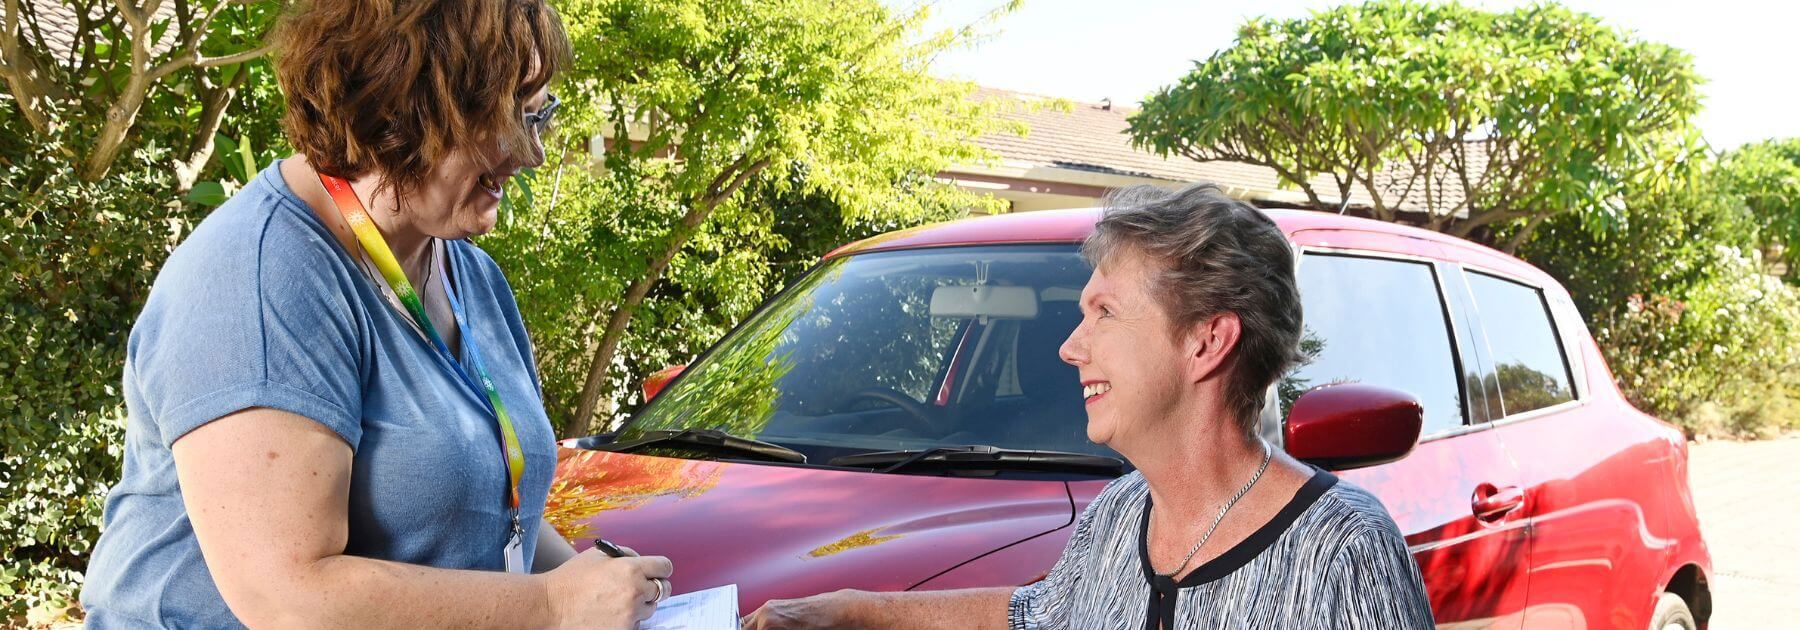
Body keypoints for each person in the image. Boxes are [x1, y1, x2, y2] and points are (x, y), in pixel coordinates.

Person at [78, 1, 671, 627]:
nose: (531, 154)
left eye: (538, 117)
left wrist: (597, 588)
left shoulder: (464, 269)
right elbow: (288, 596)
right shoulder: (260, 275)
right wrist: (551, 607)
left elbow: (496, 511)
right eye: (508, 121)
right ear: (400, 110)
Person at [743, 183, 1433, 629]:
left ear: (1207, 341)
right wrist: (848, 612)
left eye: (1104, 313)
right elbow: (1035, 615)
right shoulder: (1118, 517)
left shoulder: (1344, 551)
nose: (1071, 347)